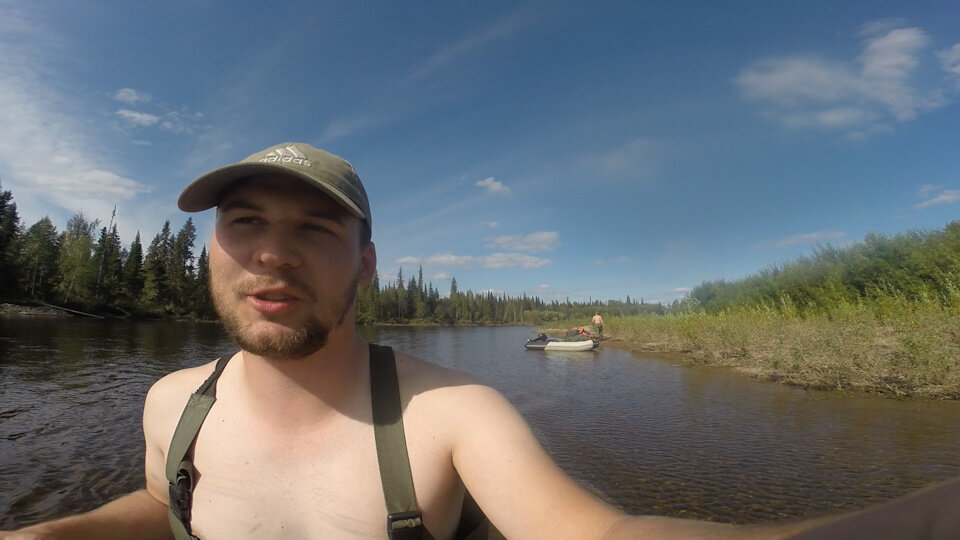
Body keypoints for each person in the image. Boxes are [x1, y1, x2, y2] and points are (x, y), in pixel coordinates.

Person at [4, 142, 959, 539]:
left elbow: (601, 533)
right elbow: (164, 499)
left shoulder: (452, 415)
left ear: (366, 266)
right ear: (212, 251)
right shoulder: (171, 403)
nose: (273, 257)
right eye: (245, 223)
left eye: (316, 232)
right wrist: (62, 531)